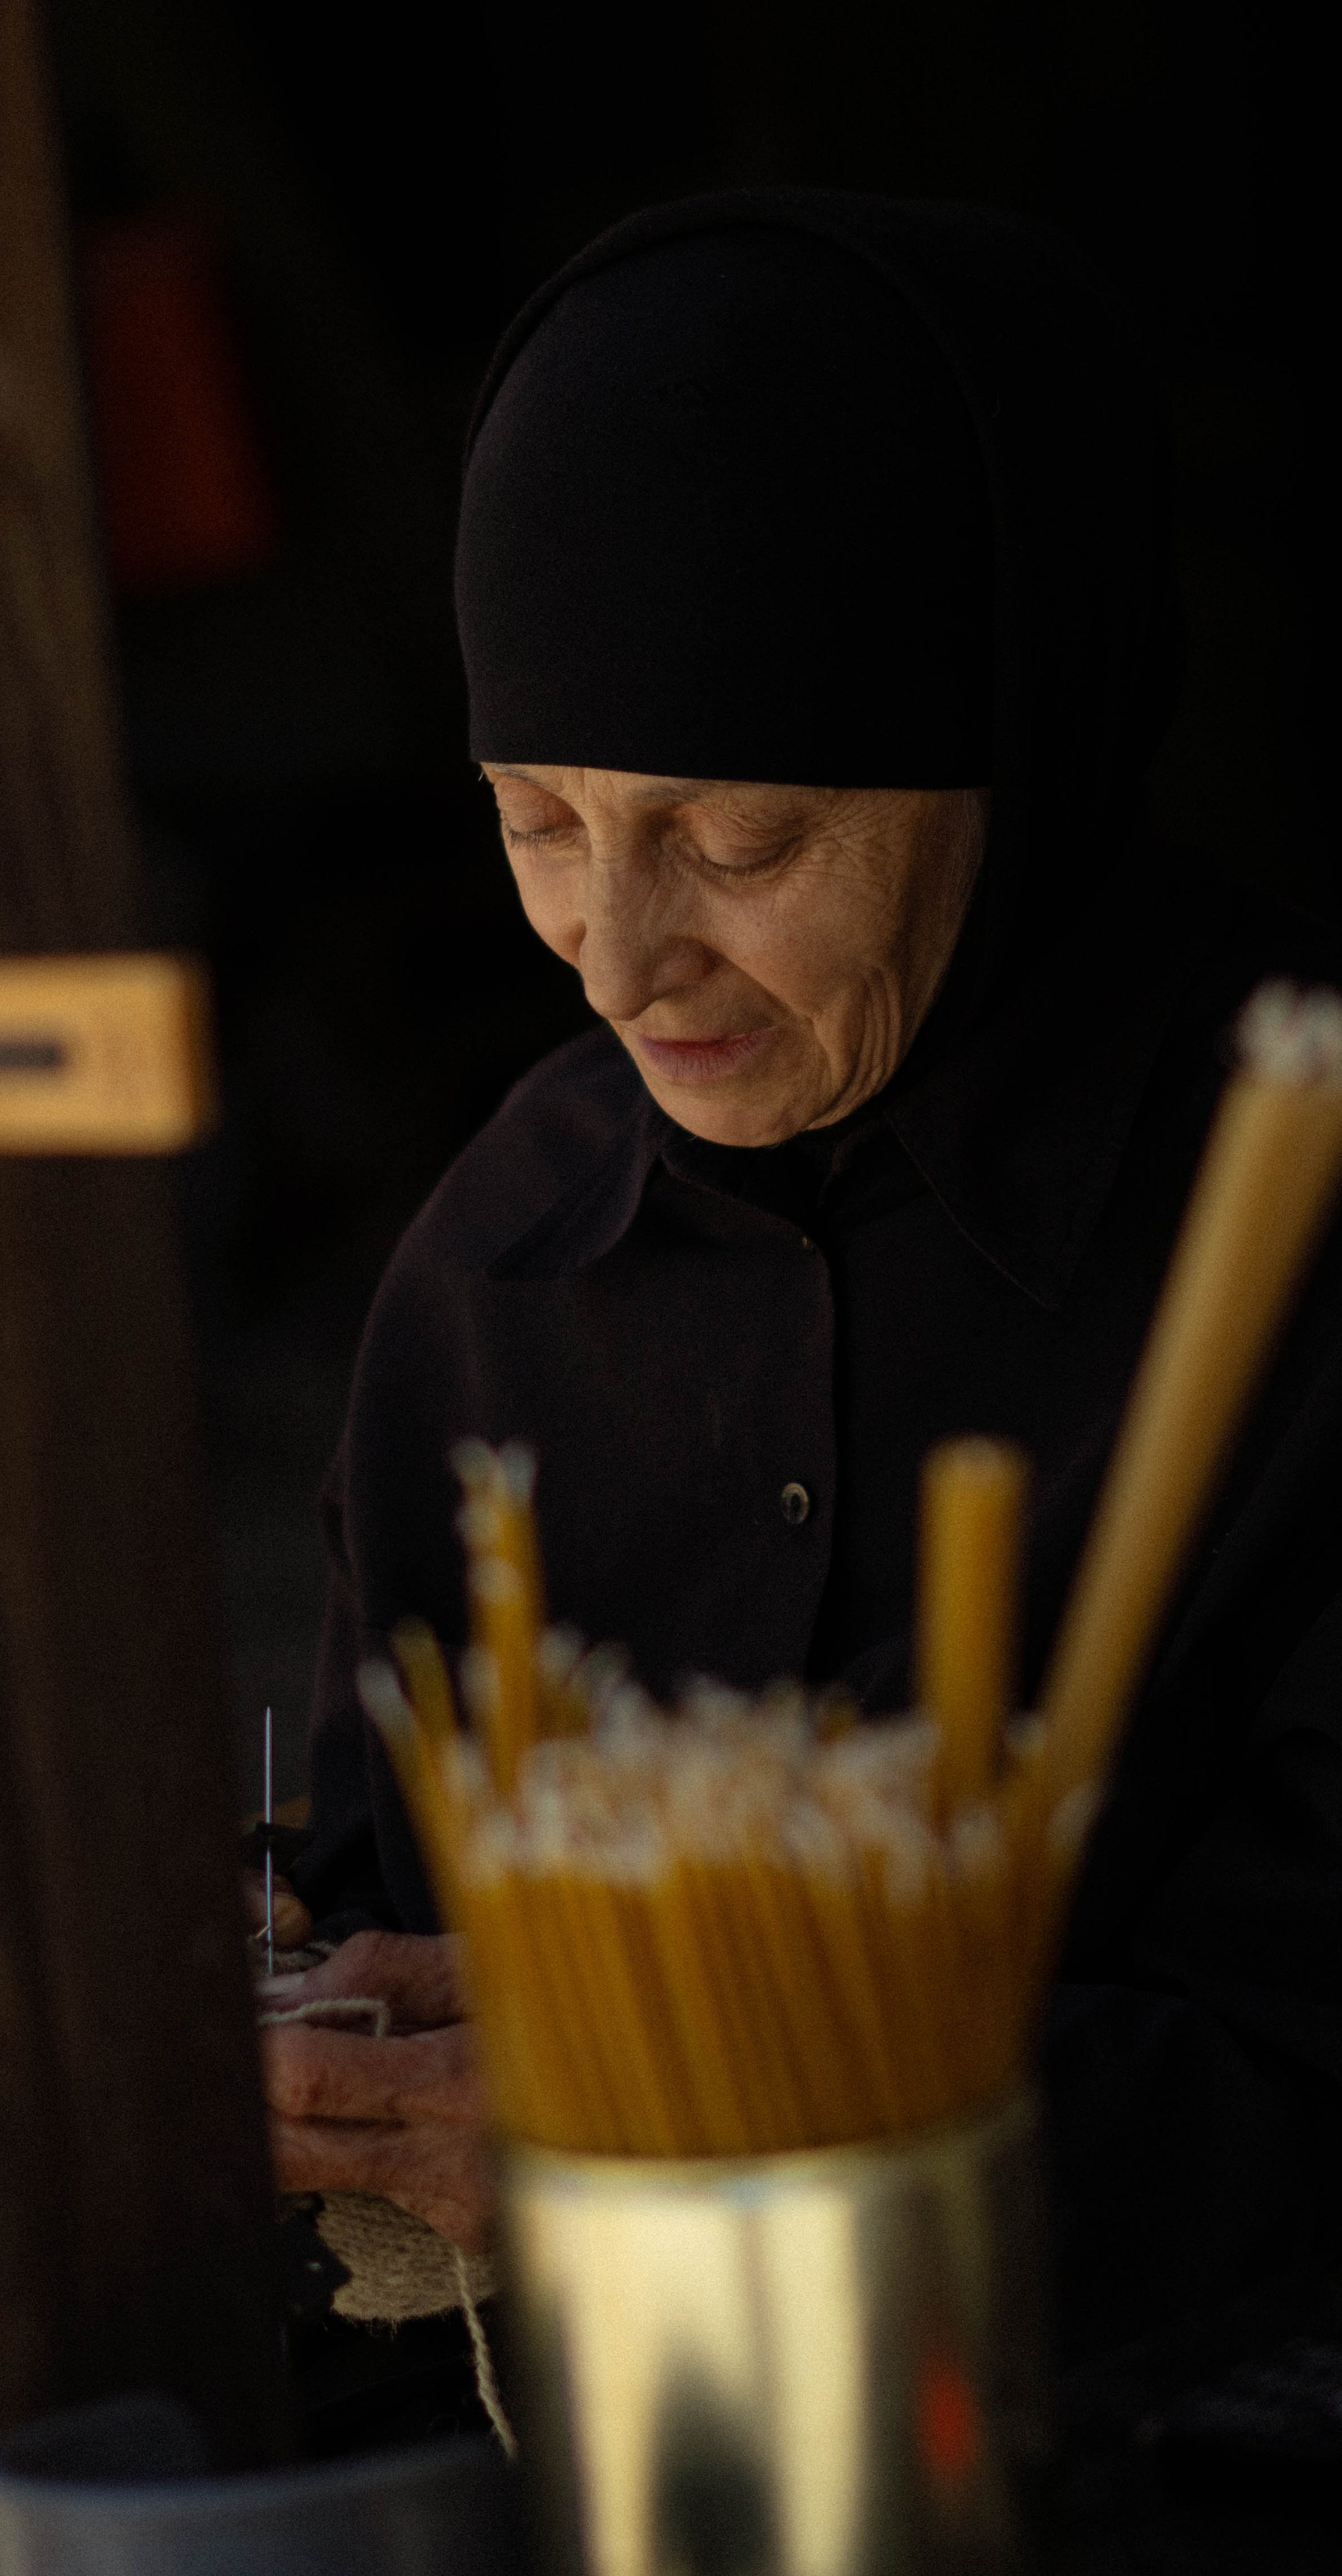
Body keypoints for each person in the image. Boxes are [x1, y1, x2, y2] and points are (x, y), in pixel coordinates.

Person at [261, 189, 1342, 2358]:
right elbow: (403, 1883)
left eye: (740, 843)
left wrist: (697, 2136)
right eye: (538, 822)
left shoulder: (1290, 1217)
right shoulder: (506, 1259)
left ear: (1012, 759)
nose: (620, 958)